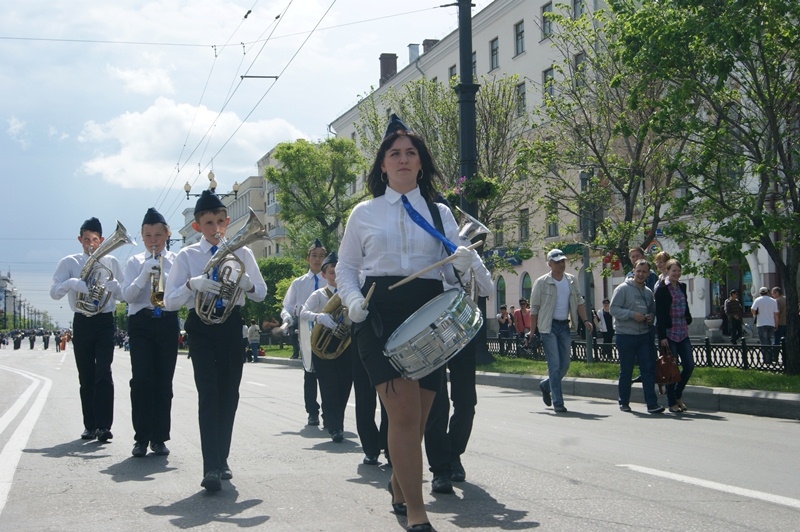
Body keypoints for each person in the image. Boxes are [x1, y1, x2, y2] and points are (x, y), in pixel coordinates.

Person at [336, 114, 483, 532]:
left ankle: (399, 486)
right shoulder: (362, 213)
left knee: (419, 417)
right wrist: (350, 300)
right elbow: (347, 267)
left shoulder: (440, 215)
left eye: (410, 153)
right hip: (378, 311)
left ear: (421, 163)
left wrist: (466, 261)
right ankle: (417, 513)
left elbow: (455, 271)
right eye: (394, 153)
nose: (402, 159)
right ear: (382, 165)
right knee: (401, 412)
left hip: (429, 313)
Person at [163, 190, 268, 492]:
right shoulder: (187, 256)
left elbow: (260, 293)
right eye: (209, 222)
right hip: (201, 326)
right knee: (208, 394)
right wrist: (190, 283)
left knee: (229, 395)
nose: (215, 228)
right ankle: (211, 466)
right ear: (197, 226)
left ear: (228, 221)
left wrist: (246, 283)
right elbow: (169, 301)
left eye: (220, 221)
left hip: (230, 325)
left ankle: (222, 458)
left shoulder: (242, 253)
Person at [50, 217, 123, 441]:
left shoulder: (111, 262)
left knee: (104, 372)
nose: (90, 244)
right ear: (79, 239)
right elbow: (54, 292)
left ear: (102, 240)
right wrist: (72, 283)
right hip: (82, 320)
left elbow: (123, 295)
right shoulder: (69, 262)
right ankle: (89, 425)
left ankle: (104, 426)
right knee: (86, 375)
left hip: (104, 319)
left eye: (94, 239)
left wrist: (115, 287)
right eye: (86, 239)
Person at [121, 208, 180, 458]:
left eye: (158, 234)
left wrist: (165, 275)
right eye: (148, 235)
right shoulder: (134, 262)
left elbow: (180, 294)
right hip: (142, 323)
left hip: (166, 320)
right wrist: (145, 274)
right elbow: (127, 297)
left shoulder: (177, 260)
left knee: (163, 381)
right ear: (142, 237)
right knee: (142, 380)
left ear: (167, 234)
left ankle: (159, 437)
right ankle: (141, 437)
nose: (153, 240)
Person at [299, 251, 353, 443]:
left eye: (339, 272)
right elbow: (303, 312)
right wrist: (318, 316)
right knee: (329, 388)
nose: (336, 277)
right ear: (324, 275)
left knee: (344, 387)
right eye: (332, 273)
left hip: (345, 348)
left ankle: (336, 421)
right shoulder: (319, 294)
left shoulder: (350, 293)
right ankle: (335, 427)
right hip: (324, 349)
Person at [530, 249, 593, 413]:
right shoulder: (541, 282)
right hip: (547, 327)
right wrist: (531, 331)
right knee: (554, 364)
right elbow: (534, 308)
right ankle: (558, 402)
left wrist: (586, 320)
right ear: (549, 263)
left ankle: (545, 385)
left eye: (563, 261)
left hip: (564, 326)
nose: (561, 264)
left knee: (565, 364)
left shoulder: (571, 280)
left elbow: (579, 301)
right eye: (557, 262)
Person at [280, 239, 326, 426]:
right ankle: (312, 412)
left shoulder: (331, 279)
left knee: (329, 374)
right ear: (307, 258)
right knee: (310, 372)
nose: (317, 260)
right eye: (314, 256)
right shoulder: (299, 283)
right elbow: (287, 306)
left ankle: (330, 411)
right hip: (307, 332)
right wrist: (287, 318)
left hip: (328, 331)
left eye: (321, 256)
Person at [610, 259, 665, 414]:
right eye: (638, 271)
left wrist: (649, 316)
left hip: (644, 336)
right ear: (633, 271)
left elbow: (653, 311)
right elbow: (613, 309)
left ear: (648, 274)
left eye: (644, 272)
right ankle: (624, 402)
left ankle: (652, 404)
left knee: (648, 370)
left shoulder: (648, 292)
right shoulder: (622, 289)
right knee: (626, 370)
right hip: (625, 335)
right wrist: (632, 315)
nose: (641, 274)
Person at [655, 259, 694, 413]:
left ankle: (678, 395)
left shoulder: (682, 286)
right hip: (669, 333)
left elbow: (685, 305)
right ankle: (671, 402)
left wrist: (688, 316)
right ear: (668, 271)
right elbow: (661, 314)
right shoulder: (662, 289)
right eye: (673, 271)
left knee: (689, 365)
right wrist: (662, 336)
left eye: (678, 271)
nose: (676, 274)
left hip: (682, 330)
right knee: (671, 368)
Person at [751, 286, 779, 364]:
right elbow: (776, 314)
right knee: (770, 341)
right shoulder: (773, 301)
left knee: (764, 342)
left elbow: (753, 310)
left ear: (760, 293)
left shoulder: (758, 300)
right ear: (768, 292)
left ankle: (766, 359)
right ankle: (770, 358)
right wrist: (776, 324)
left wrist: (756, 314)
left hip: (761, 323)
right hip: (771, 323)